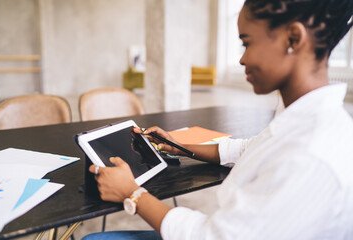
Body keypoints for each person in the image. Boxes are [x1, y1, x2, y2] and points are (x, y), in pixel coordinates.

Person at [83, 0, 353, 239]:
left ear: (293, 39)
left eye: (247, 42)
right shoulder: (306, 119)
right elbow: (249, 148)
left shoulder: (310, 153)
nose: (242, 59)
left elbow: (211, 236)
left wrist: (133, 194)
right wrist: (181, 147)